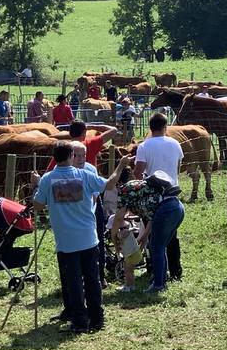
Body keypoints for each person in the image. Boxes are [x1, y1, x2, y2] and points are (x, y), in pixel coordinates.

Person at [31, 142, 129, 334]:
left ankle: (80, 322)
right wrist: (120, 165)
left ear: (54, 158)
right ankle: (97, 318)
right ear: (71, 156)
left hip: (66, 242)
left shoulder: (48, 179)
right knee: (92, 280)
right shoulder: (84, 175)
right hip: (88, 238)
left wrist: (35, 186)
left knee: (73, 283)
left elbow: (37, 206)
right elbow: (109, 184)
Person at [134, 113, 184, 283]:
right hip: (172, 193)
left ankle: (155, 270)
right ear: (165, 127)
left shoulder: (144, 146)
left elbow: (138, 172)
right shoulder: (175, 144)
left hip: (153, 196)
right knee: (172, 235)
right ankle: (175, 270)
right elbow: (177, 168)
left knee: (152, 235)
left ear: (150, 127)